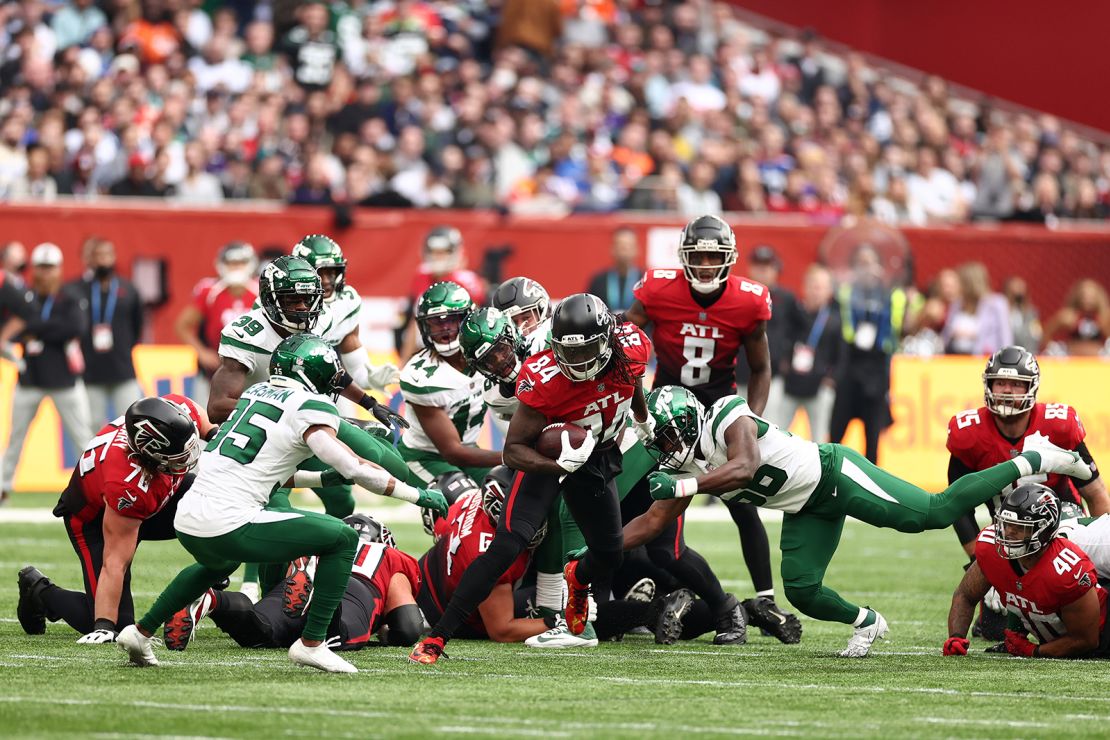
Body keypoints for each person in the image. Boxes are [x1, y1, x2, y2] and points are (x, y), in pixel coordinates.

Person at [619, 385, 1093, 657]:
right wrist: (600, 547)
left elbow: (742, 466)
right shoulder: (685, 467)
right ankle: (867, 621)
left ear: (681, 425)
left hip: (834, 473)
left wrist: (684, 487)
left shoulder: (726, 414)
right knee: (802, 590)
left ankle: (1033, 457)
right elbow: (650, 525)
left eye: (662, 439)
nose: (660, 451)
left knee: (933, 513)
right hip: (805, 506)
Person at [115, 334, 437, 673]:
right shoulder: (310, 406)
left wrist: (321, 479)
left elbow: (266, 473)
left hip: (190, 517)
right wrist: (418, 494)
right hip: (229, 521)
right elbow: (354, 466)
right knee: (341, 537)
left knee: (218, 565)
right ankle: (312, 644)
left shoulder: (255, 393)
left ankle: (139, 632)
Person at [410, 294, 654, 664]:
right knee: (506, 547)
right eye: (566, 353)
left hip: (599, 456)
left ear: (606, 342)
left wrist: (641, 415)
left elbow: (634, 377)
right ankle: (438, 638)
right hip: (550, 458)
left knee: (609, 552)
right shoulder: (543, 377)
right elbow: (513, 451)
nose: (575, 362)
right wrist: (558, 466)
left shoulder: (632, 348)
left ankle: (576, 577)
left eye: (584, 350)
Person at [625, 215, 800, 642]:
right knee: (644, 500)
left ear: (728, 259)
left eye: (713, 257)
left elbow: (761, 368)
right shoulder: (657, 290)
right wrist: (637, 407)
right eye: (698, 257)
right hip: (665, 413)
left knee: (741, 504)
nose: (705, 265)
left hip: (718, 410)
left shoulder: (748, 301)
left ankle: (765, 596)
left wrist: (749, 420)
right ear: (685, 258)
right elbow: (627, 342)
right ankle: (659, 589)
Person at [16, 395, 212, 641]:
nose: (188, 459)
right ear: (150, 455)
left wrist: (214, 433)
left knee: (213, 505)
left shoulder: (172, 415)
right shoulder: (127, 484)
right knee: (116, 624)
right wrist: (104, 625)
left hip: (146, 498)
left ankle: (214, 567)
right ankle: (40, 592)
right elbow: (114, 562)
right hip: (95, 521)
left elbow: (201, 418)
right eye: (179, 456)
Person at [163, 515, 424, 652]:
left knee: (261, 631)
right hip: (352, 592)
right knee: (337, 639)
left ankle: (213, 600)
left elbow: (271, 576)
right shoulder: (389, 556)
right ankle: (319, 589)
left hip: (291, 583)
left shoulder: (324, 540)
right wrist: (387, 633)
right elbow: (408, 626)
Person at [947, 346, 1108, 554]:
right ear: (988, 385)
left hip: (1063, 527)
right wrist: (977, 561)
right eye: (1000, 383)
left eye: (1016, 384)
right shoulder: (969, 433)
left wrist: (1099, 552)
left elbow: (1096, 495)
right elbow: (958, 506)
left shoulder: (1058, 425)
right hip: (1006, 533)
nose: (1006, 390)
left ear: (1031, 387)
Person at [945, 486, 1108, 659]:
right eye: (1006, 524)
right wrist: (956, 637)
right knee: (993, 626)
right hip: (1056, 614)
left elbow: (1085, 640)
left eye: (1019, 527)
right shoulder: (991, 546)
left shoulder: (1066, 567)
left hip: (1100, 636)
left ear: (1044, 531)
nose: (1008, 533)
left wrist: (1032, 651)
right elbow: (965, 595)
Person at [0, 243, 94, 502]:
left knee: (82, 437)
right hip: (29, 378)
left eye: (50, 267)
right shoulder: (26, 296)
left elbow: (74, 328)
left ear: (59, 269)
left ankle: (91, 488)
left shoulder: (70, 296)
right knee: (14, 437)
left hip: (64, 379)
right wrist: (42, 329)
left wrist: (35, 328)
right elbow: (13, 329)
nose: (45, 273)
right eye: (40, 267)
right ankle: (3, 486)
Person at [398, 282, 500, 486]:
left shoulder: (486, 355)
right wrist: (514, 456)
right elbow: (452, 452)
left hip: (469, 450)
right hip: (425, 457)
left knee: (508, 487)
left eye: (452, 320)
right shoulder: (421, 376)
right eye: (436, 322)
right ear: (424, 327)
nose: (445, 330)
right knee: (462, 499)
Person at [290, 235, 399, 411]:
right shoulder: (284, 301)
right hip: (281, 386)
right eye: (320, 272)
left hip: (326, 383)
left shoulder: (345, 303)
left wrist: (368, 377)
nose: (326, 281)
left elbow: (355, 364)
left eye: (331, 272)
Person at [828, 244, 909, 463]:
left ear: (880, 267)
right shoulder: (845, 292)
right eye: (861, 263)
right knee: (836, 435)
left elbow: (899, 329)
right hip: (848, 369)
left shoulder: (892, 295)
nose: (866, 268)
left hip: (876, 371)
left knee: (872, 438)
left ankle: (870, 489)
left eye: (870, 262)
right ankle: (829, 483)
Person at [68, 238, 144, 426]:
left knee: (133, 422)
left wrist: (124, 347)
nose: (103, 260)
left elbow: (137, 326)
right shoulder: (79, 290)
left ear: (114, 257)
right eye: (98, 255)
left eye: (107, 255)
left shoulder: (128, 289)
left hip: (123, 369)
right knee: (92, 426)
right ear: (90, 260)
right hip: (91, 372)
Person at [174, 241, 258, 407]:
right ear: (221, 264)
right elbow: (182, 325)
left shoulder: (259, 291)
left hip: (251, 367)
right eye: (231, 263)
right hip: (216, 368)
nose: (236, 267)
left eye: (240, 263)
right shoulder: (210, 291)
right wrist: (202, 352)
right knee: (206, 416)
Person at [775, 264, 842, 443]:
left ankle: (820, 472)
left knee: (819, 440)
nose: (816, 291)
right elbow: (781, 341)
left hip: (818, 388)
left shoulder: (834, 321)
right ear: (804, 286)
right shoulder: (794, 313)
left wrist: (831, 379)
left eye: (820, 287)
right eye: (813, 285)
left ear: (829, 291)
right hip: (790, 386)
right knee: (777, 435)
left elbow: (841, 355)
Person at [399, 226, 486, 361]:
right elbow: (414, 325)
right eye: (434, 252)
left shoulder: (466, 281)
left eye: (444, 252)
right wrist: (403, 365)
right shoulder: (421, 276)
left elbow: (476, 327)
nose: (438, 257)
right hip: (429, 347)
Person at [940, 262, 1012, 355]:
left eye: (958, 282)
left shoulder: (997, 304)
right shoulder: (956, 304)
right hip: (955, 359)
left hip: (984, 361)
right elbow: (945, 336)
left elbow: (1005, 338)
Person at [1042, 278, 1110, 357]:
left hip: (1097, 360)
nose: (1087, 299)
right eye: (1084, 295)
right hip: (1072, 359)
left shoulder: (1104, 317)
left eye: (1091, 296)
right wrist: (1054, 349)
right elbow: (1046, 333)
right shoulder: (1068, 316)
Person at [586, 227, 643, 313]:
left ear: (637, 249)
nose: (625, 251)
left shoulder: (644, 281)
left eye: (629, 246)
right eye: (621, 246)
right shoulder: (598, 281)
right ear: (612, 249)